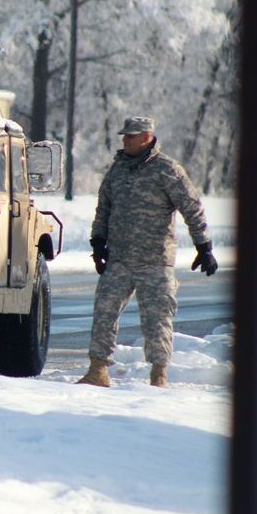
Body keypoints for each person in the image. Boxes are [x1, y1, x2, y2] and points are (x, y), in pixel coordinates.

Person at [77, 116, 217, 388]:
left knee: (157, 320)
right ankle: (98, 371)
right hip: (119, 259)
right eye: (124, 135)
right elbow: (104, 207)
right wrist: (98, 241)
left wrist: (204, 246)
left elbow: (192, 207)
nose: (125, 139)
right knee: (104, 312)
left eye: (131, 135)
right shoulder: (117, 170)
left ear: (147, 137)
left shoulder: (167, 170)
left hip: (155, 261)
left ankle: (158, 375)